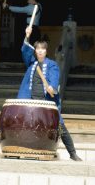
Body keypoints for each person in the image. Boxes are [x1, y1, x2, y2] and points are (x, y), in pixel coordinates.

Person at [19, 26, 82, 161]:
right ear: (35, 51)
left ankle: (72, 153)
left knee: (59, 124)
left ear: (46, 51)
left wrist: (52, 88)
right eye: (38, 49)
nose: (40, 51)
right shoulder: (31, 63)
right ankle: (23, 148)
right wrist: (27, 36)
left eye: (43, 49)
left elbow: (54, 80)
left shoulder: (52, 65)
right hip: (30, 101)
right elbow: (25, 51)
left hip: (46, 102)